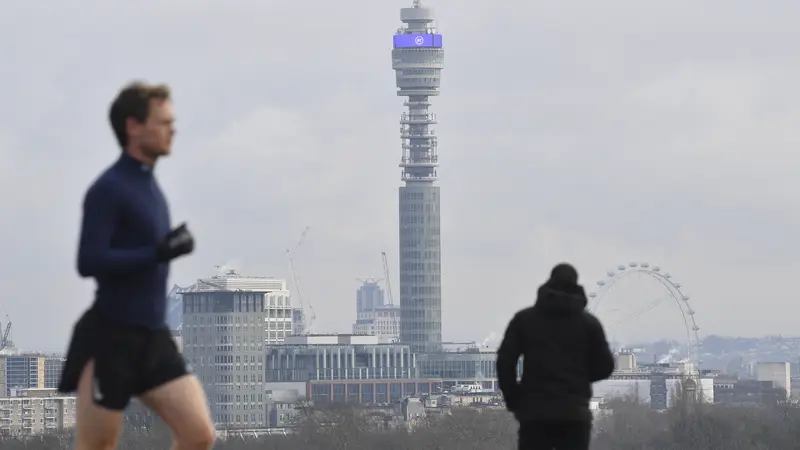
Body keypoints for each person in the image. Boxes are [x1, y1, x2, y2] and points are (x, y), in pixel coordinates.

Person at [58, 81, 215, 450]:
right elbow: (88, 261)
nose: (172, 129)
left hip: (154, 337)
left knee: (199, 435)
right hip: (111, 339)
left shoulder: (152, 188)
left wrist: (161, 250)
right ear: (133, 127)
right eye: (163, 121)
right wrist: (157, 253)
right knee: (97, 446)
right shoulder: (108, 189)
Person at [496, 263, 615, 450]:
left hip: (535, 413)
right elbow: (606, 366)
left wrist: (514, 399)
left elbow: (504, 362)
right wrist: (580, 378)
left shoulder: (524, 320)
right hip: (575, 414)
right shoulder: (589, 325)